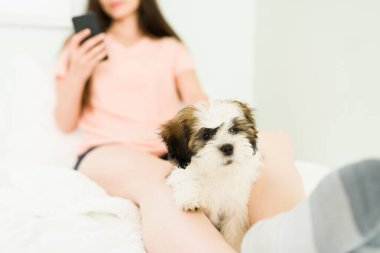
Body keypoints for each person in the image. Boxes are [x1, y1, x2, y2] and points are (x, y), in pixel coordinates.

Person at [54, 0, 304, 252]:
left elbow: (196, 97)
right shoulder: (80, 48)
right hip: (107, 151)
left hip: (166, 150)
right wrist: (78, 71)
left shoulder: (171, 48)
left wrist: (223, 128)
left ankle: (286, 245)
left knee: (272, 141)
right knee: (167, 182)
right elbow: (64, 122)